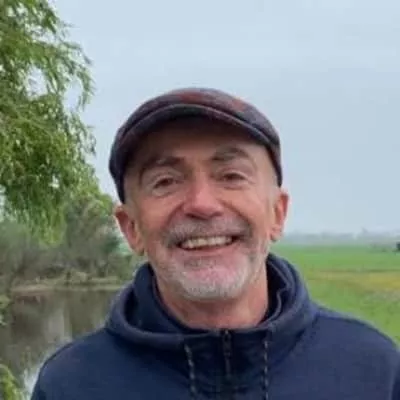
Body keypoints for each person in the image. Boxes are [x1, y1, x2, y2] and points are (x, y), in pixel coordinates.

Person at [31, 87, 400, 399]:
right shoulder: (71, 384)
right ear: (131, 228)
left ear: (277, 213)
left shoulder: (375, 371)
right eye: (165, 181)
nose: (202, 204)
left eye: (231, 175)